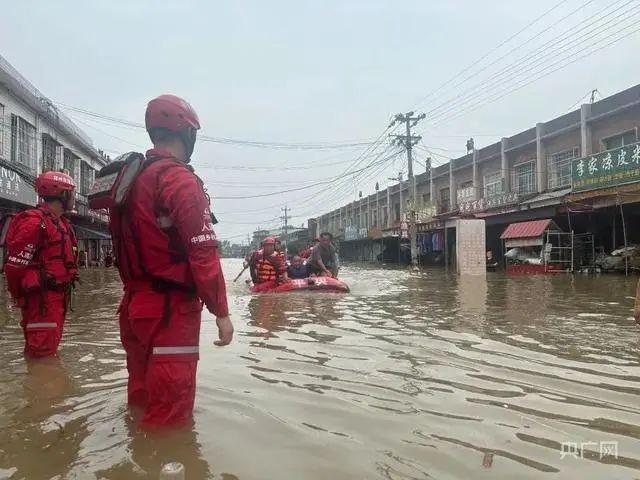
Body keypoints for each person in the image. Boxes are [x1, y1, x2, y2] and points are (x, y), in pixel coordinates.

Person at [113, 94, 233, 427]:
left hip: (134, 307)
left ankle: (135, 459)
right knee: (170, 414)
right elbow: (203, 253)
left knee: (141, 397)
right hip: (169, 311)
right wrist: (221, 313)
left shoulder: (132, 179)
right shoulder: (178, 179)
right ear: (187, 133)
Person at [3, 171, 79, 358]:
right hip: (42, 302)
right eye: (72, 193)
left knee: (47, 351)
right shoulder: (35, 222)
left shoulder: (61, 223)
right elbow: (14, 266)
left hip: (55, 300)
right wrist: (16, 295)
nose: (74, 198)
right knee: (41, 356)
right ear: (63, 194)